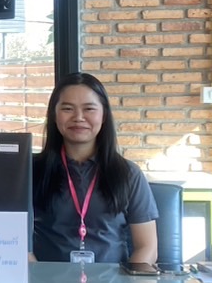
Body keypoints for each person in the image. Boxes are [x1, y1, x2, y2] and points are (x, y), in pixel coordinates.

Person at [32, 72, 158, 270]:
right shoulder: (31, 172)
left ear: (104, 115)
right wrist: (38, 279)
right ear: (54, 115)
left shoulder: (128, 174)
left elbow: (147, 247)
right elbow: (18, 244)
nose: (78, 118)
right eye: (67, 109)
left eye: (89, 109)